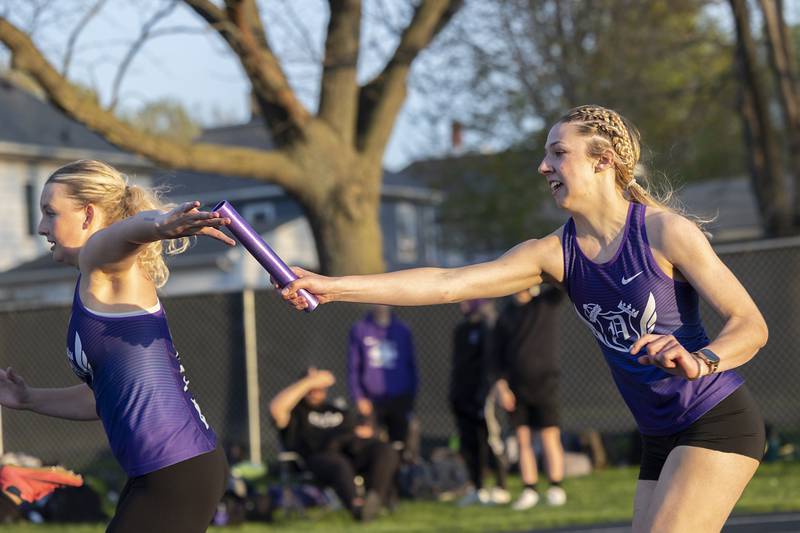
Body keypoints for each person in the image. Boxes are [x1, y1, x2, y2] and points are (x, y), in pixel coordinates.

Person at [280, 104, 769, 532]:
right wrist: (334, 286)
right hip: (659, 434)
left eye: (559, 153)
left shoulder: (666, 233)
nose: (544, 166)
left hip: (715, 419)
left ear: (603, 162)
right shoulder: (554, 253)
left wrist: (700, 359)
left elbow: (751, 325)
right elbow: (447, 283)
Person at [0, 160, 235, 532]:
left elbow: (124, 234)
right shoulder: (95, 282)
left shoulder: (103, 261)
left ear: (88, 214)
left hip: (177, 468)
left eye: (50, 213)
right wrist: (27, 398)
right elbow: (102, 399)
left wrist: (158, 225)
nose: (41, 227)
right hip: (169, 469)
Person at [269, 367, 399, 522]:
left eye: (319, 386)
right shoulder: (296, 412)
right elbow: (276, 409)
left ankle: (375, 498)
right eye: (312, 386)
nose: (316, 389)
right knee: (338, 463)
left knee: (385, 450)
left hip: (350, 453)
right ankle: (357, 507)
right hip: (317, 459)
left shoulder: (336, 409)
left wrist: (367, 433)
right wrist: (309, 382)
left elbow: (361, 431)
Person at [494, 284, 567, 510]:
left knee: (549, 435)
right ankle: (530, 489)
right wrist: (502, 386)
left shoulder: (545, 302)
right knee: (522, 438)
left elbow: (561, 284)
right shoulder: (505, 315)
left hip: (545, 382)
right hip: (517, 388)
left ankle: (555, 487)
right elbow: (496, 357)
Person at [450, 299, 510, 506]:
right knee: (469, 444)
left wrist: (484, 394)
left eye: (468, 300)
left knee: (491, 440)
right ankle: (478, 487)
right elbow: (458, 366)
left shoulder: (489, 326)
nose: (463, 304)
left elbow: (490, 365)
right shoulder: (461, 330)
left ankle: (502, 487)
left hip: (484, 398)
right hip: (463, 396)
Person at [347, 305, 418, 451]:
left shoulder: (402, 330)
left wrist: (411, 396)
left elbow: (411, 365)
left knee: (400, 444)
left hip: (399, 397)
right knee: (371, 445)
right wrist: (359, 396)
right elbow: (354, 367)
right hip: (371, 400)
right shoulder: (360, 329)